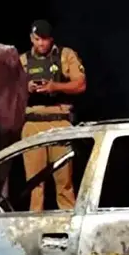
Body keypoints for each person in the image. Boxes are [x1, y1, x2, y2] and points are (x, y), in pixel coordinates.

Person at [19, 20, 87, 212]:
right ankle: (34, 228)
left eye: (45, 39)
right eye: (37, 39)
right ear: (31, 39)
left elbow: (80, 85)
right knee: (34, 184)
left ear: (52, 39)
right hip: (32, 123)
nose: (41, 44)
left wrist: (54, 87)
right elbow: (7, 89)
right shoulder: (22, 60)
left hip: (60, 123)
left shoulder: (65, 55)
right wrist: (27, 88)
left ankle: (68, 224)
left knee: (64, 183)